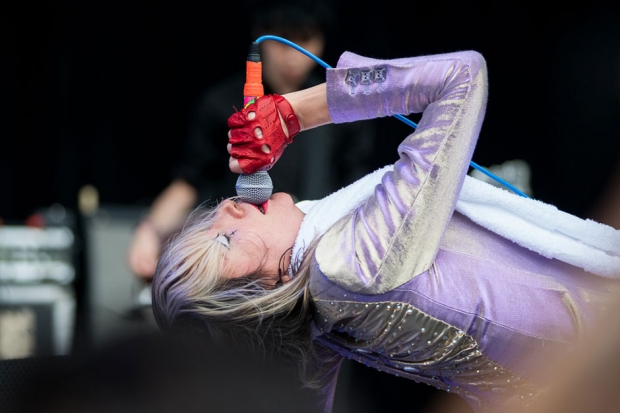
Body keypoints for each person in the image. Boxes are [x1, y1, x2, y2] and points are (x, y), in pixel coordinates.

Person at [151, 48, 620, 413]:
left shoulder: (319, 319)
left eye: (210, 220)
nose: (228, 209)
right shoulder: (345, 265)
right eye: (224, 242)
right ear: (264, 290)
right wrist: (296, 113)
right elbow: (462, 76)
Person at [127, 0, 378, 280]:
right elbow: (190, 180)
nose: (294, 55)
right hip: (241, 266)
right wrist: (149, 229)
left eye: (306, 39)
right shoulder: (220, 104)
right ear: (261, 33)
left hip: (319, 259)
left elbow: (359, 189)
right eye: (283, 40)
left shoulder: (341, 105)